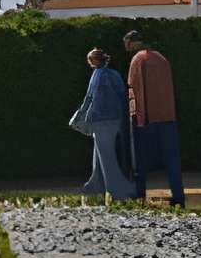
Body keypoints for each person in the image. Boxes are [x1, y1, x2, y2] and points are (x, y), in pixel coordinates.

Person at [125, 29, 186, 206]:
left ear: (132, 42)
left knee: (140, 160)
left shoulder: (138, 59)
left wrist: (136, 117)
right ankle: (178, 196)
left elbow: (135, 90)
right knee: (172, 160)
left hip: (147, 119)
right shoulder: (161, 58)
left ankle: (139, 195)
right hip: (168, 116)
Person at [72, 46, 135, 199]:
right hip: (115, 119)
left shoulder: (97, 75)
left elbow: (89, 98)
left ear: (94, 61)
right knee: (100, 153)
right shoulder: (114, 74)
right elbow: (122, 96)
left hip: (100, 120)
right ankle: (95, 184)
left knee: (107, 156)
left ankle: (118, 189)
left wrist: (79, 116)